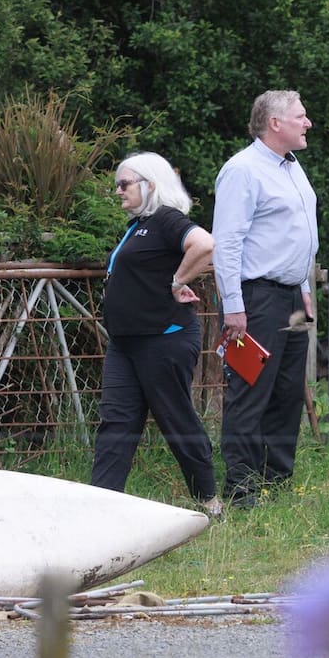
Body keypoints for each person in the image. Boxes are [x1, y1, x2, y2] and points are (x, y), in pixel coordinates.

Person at [91, 152, 221, 517]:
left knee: (175, 418)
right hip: (125, 344)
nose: (118, 191)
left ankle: (208, 500)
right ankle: (99, 506)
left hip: (163, 339)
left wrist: (179, 280)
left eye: (124, 184)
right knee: (116, 423)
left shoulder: (166, 219)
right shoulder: (137, 226)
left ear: (151, 185)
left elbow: (205, 244)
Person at [212, 90, 319, 507]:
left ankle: (276, 484)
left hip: (291, 296)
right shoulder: (243, 170)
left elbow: (299, 236)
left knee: (288, 391)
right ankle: (241, 489)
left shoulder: (293, 167)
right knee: (250, 390)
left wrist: (305, 291)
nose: (307, 123)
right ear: (275, 123)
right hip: (255, 298)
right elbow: (228, 242)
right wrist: (233, 305)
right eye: (300, 116)